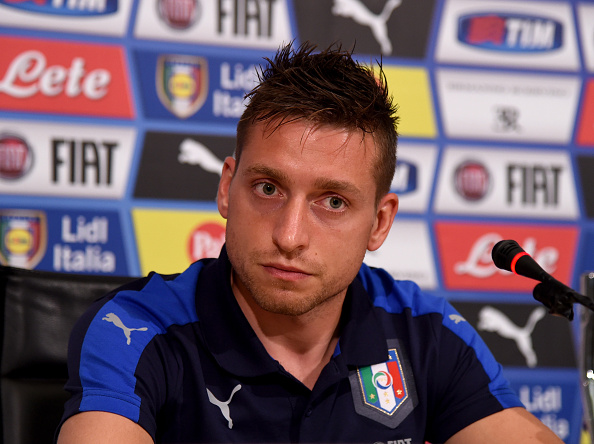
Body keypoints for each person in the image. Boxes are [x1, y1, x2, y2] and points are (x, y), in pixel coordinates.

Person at [56, 42, 562, 444]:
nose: (290, 236)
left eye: (333, 202)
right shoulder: (135, 330)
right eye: (268, 189)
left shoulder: (424, 333)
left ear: (380, 223)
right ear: (225, 187)